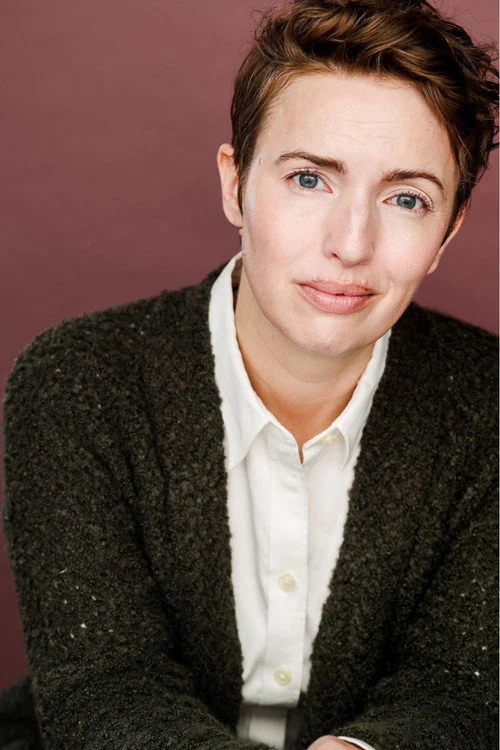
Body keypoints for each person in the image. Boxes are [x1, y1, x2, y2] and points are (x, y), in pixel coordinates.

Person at [1, 0, 498, 748]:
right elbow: (107, 688)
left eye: (406, 198)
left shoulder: (490, 406)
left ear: (447, 231)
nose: (351, 243)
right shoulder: (78, 384)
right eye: (309, 179)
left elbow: (460, 684)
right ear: (235, 185)